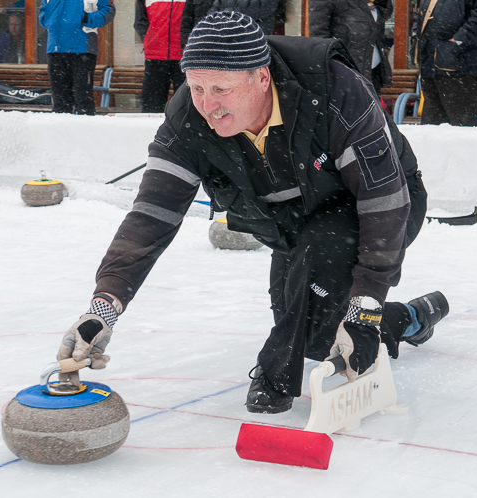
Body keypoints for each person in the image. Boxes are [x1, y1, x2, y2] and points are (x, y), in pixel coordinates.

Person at [54, 12, 449, 415]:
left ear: (262, 79)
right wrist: (105, 306)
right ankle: (410, 318)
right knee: (314, 332)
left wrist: (365, 306)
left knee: (320, 284)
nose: (208, 105)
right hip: (294, 221)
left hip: (381, 205)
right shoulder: (187, 120)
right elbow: (151, 215)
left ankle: (274, 377)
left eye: (221, 89)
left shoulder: (335, 91)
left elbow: (383, 201)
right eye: (197, 88)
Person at [411, 0, 477, 126]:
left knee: (462, 123)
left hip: (460, 66)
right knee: (431, 122)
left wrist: (457, 42)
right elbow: (422, 17)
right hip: (430, 64)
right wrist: (416, 37)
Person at [39, 0, 114, 115]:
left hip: (82, 48)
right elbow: (44, 9)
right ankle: (60, 130)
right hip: (56, 48)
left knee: (83, 98)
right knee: (60, 99)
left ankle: (85, 129)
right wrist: (47, 19)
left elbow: (108, 11)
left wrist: (86, 18)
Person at [309, 0, 393, 96]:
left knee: (371, 108)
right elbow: (319, 37)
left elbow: (385, 13)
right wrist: (334, 65)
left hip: (373, 69)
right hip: (347, 70)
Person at [134, 0, 186, 113]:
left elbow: (198, 17)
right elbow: (139, 21)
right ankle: (149, 130)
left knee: (186, 107)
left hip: (183, 56)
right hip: (155, 57)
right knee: (151, 107)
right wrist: (149, 39)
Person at [208, 0, 283, 36]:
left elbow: (263, 8)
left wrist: (230, 13)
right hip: (226, 33)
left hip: (254, 34)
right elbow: (214, 9)